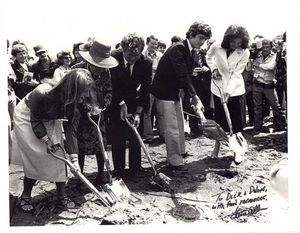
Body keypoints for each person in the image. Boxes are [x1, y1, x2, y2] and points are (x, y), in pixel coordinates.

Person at [10, 69, 94, 212]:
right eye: (84, 91)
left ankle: (62, 195)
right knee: (35, 156)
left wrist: (74, 159)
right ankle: (26, 194)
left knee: (59, 155)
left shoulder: (77, 101)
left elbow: (71, 130)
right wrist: (47, 140)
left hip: (50, 117)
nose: (87, 95)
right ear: (72, 89)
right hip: (27, 117)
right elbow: (35, 120)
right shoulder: (43, 93)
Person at [151, 21, 211, 170]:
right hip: (164, 93)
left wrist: (192, 95)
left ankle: (181, 151)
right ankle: (174, 159)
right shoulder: (178, 49)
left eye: (204, 39)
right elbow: (183, 74)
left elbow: (187, 74)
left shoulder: (189, 51)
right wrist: (194, 96)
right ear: (191, 34)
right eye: (200, 38)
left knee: (179, 123)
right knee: (171, 126)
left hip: (174, 92)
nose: (202, 42)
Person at [71, 39, 118, 189]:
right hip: (80, 114)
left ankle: (101, 174)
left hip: (98, 113)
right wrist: (84, 107)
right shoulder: (76, 70)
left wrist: (103, 105)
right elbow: (72, 94)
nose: (100, 68)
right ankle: (81, 176)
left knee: (101, 143)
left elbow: (109, 90)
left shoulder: (106, 72)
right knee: (81, 147)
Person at [206, 24, 250, 164]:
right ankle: (217, 147)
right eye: (233, 42)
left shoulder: (245, 52)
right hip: (218, 86)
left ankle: (237, 151)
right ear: (227, 39)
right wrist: (213, 69)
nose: (236, 45)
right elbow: (209, 58)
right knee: (219, 122)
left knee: (236, 124)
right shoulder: (216, 46)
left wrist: (229, 92)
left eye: (239, 43)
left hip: (235, 90)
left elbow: (237, 74)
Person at [110, 33, 152, 176]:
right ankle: (119, 168)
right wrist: (121, 103)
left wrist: (138, 113)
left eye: (136, 55)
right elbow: (112, 85)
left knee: (136, 133)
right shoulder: (112, 58)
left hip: (134, 99)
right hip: (115, 99)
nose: (133, 58)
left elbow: (146, 89)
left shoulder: (146, 62)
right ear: (122, 49)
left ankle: (135, 167)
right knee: (118, 135)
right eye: (129, 55)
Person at [248, 38, 286, 134]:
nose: (265, 49)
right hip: (257, 84)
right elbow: (249, 68)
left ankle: (280, 126)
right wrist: (251, 58)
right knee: (257, 107)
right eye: (263, 47)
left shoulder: (274, 56)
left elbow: (270, 67)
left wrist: (257, 64)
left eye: (267, 47)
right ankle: (257, 127)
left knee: (276, 106)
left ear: (271, 47)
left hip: (269, 85)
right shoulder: (257, 56)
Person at [188, 39, 215, 137]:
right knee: (194, 105)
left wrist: (207, 69)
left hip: (206, 84)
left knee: (207, 106)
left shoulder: (206, 54)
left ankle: (208, 128)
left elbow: (212, 66)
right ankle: (194, 128)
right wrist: (192, 71)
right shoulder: (189, 55)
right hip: (195, 84)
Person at [142, 35, 164, 144]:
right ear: (147, 43)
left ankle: (162, 133)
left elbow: (163, 69)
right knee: (147, 112)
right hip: (147, 87)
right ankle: (148, 135)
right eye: (152, 44)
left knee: (161, 112)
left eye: (156, 44)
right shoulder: (143, 55)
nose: (154, 46)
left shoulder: (160, 55)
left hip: (159, 87)